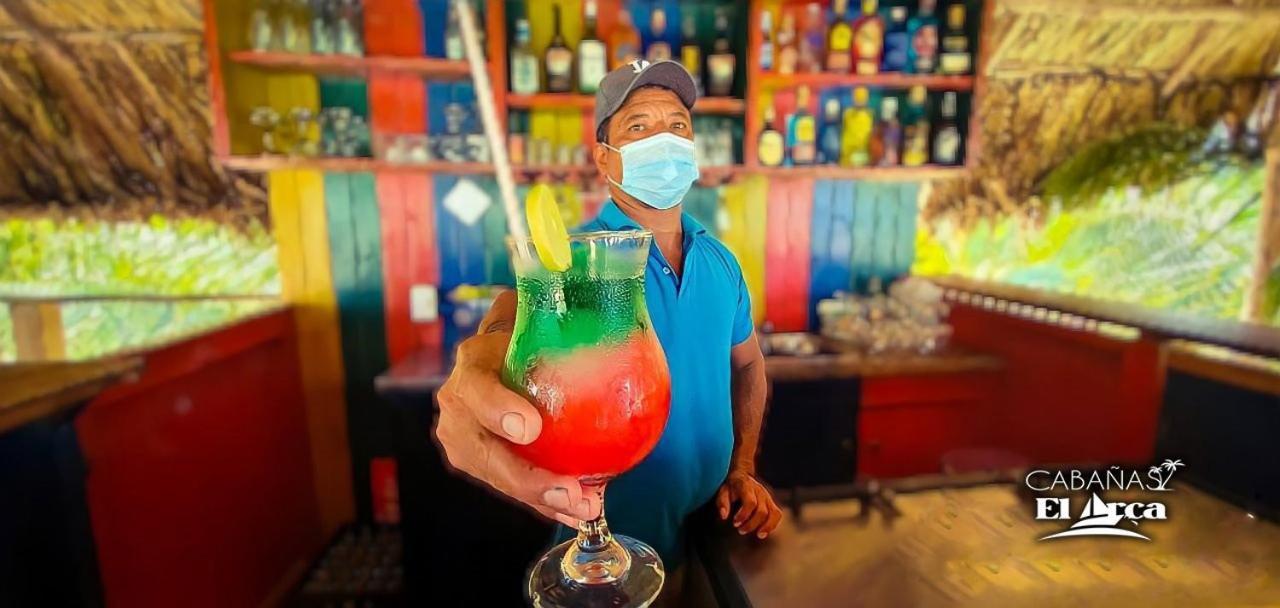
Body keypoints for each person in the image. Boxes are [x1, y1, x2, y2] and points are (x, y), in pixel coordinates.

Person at [434, 59, 783, 602]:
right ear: (605, 157)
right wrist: (493, 340)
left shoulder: (721, 262)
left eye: (678, 126)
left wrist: (742, 468)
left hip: (714, 534)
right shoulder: (579, 259)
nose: (663, 140)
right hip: (611, 556)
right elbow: (518, 304)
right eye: (638, 127)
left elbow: (749, 364)